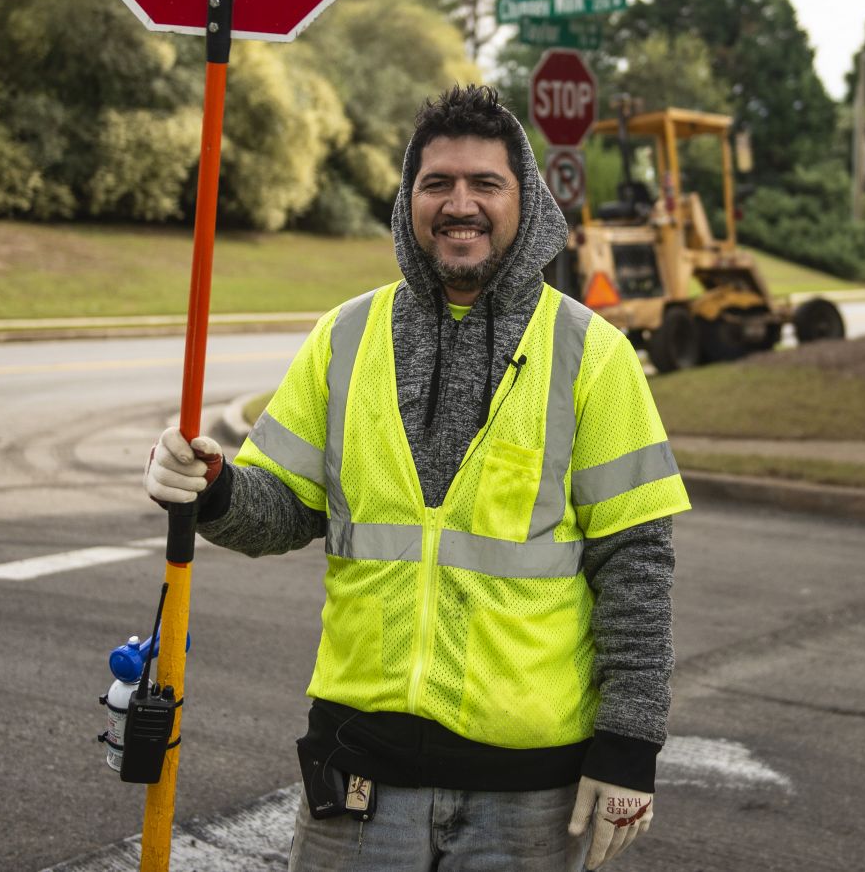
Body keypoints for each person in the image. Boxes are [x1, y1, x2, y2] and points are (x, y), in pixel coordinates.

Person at [145, 84, 689, 871]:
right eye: (437, 184)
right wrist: (215, 487)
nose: (458, 204)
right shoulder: (346, 335)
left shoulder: (592, 355)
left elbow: (636, 565)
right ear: (408, 202)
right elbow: (282, 508)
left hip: (528, 796)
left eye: (484, 184)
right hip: (361, 771)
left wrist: (629, 750)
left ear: (524, 201)